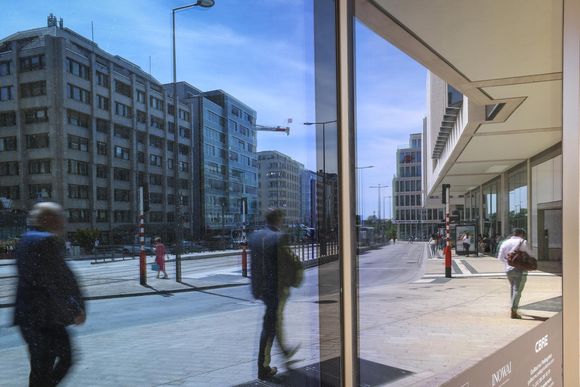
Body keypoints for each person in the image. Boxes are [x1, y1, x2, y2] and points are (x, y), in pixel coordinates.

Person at [13, 202, 86, 386]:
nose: (63, 222)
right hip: (44, 318)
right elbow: (52, 282)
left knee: (41, 367)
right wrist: (74, 309)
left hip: (31, 317)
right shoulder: (45, 241)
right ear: (47, 219)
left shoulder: (26, 239)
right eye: (60, 218)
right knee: (59, 360)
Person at [249, 209, 303, 381]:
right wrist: (295, 281)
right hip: (275, 290)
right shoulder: (280, 237)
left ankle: (285, 352)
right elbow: (291, 262)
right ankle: (263, 368)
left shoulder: (254, 237)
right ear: (278, 219)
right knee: (270, 326)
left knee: (274, 321)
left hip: (261, 289)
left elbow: (254, 265)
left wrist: (256, 288)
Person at [497, 228, 534, 319]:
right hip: (520, 269)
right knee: (517, 290)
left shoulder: (504, 243)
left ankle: (513, 308)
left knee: (513, 289)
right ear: (521, 234)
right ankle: (514, 310)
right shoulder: (523, 242)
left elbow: (500, 258)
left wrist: (509, 262)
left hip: (508, 269)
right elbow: (531, 255)